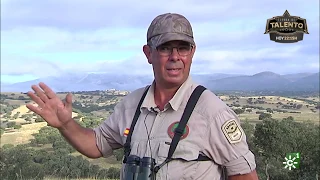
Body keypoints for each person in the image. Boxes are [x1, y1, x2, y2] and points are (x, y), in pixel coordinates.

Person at [26, 13, 259, 180]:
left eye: (183, 48)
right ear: (148, 53)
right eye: (166, 48)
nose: (175, 57)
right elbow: (96, 145)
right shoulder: (130, 106)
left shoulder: (211, 112)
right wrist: (66, 124)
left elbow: (244, 174)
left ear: (193, 52)